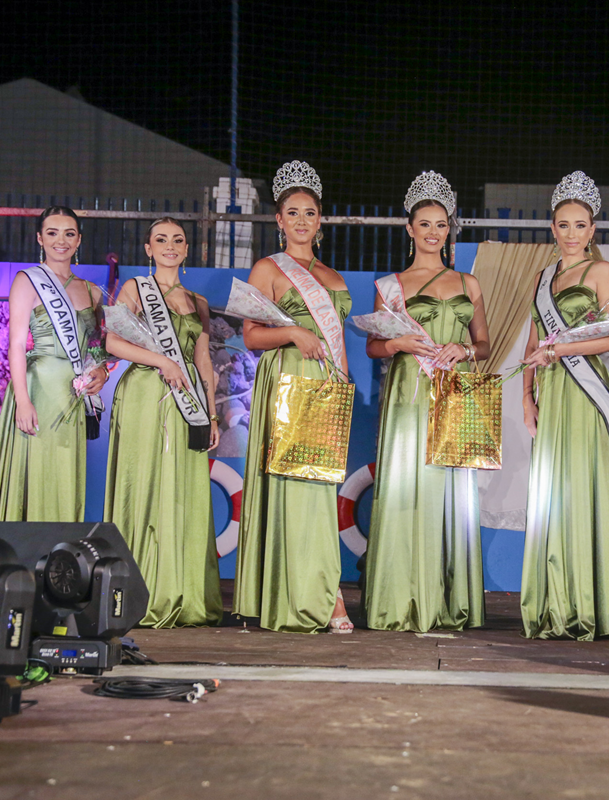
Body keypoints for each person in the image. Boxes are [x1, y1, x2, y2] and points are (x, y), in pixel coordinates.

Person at [363, 171, 490, 632]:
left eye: (441, 225)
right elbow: (373, 347)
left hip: (453, 391)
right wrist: (398, 346)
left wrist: (464, 350)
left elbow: (485, 344)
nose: (434, 232)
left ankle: (447, 595)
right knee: (406, 486)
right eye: (425, 224)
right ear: (409, 228)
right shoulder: (390, 285)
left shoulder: (468, 282)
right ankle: (402, 592)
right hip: (409, 393)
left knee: (449, 491)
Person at [234, 160, 355, 633]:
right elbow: (250, 336)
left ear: (319, 220)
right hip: (287, 380)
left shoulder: (334, 276)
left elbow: (338, 336)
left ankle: (321, 588)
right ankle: (319, 597)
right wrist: (292, 332)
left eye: (309, 212)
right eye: (292, 212)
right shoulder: (267, 268)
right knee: (292, 487)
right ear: (279, 220)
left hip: (324, 383)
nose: (302, 220)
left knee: (320, 489)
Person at [518, 171, 609, 640]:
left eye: (579, 225)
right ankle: (554, 600)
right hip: (552, 390)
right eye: (563, 225)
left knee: (584, 486)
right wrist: (526, 394)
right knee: (553, 492)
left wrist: (561, 350)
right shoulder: (544, 277)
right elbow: (531, 340)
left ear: (593, 229)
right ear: (553, 228)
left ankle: (588, 603)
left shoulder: (601, 273)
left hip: (588, 393)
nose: (571, 233)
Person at [103, 217, 223, 628]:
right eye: (161, 240)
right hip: (144, 396)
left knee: (182, 491)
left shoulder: (198, 302)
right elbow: (113, 341)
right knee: (147, 484)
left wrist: (211, 410)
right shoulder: (136, 289)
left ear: (187, 249)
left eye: (178, 240)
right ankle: (139, 591)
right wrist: (163, 361)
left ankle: (182, 590)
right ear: (148, 248)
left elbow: (204, 359)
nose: (170, 246)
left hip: (187, 399)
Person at [0, 207, 107, 522]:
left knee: (65, 469)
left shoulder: (90, 289)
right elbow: (17, 344)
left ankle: (59, 550)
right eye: (52, 233)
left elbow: (95, 346)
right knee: (35, 467)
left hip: (73, 392)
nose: (60, 241)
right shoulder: (28, 280)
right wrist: (22, 399)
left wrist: (101, 371)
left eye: (69, 233)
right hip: (39, 386)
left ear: (79, 240)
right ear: (39, 238)